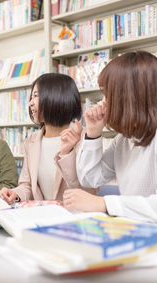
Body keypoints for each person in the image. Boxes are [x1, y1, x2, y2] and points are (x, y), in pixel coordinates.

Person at [63, 51, 157, 223]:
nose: (103, 102)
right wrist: (93, 133)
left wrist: (104, 203)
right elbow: (90, 179)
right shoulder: (122, 140)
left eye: (108, 94)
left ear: (129, 96)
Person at [0, 73, 98, 205]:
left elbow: (89, 192)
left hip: (74, 217)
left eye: (35, 96)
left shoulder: (86, 137)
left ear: (55, 96)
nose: (30, 103)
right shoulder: (31, 141)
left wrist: (67, 154)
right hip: (42, 215)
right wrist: (15, 194)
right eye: (31, 97)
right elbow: (27, 185)